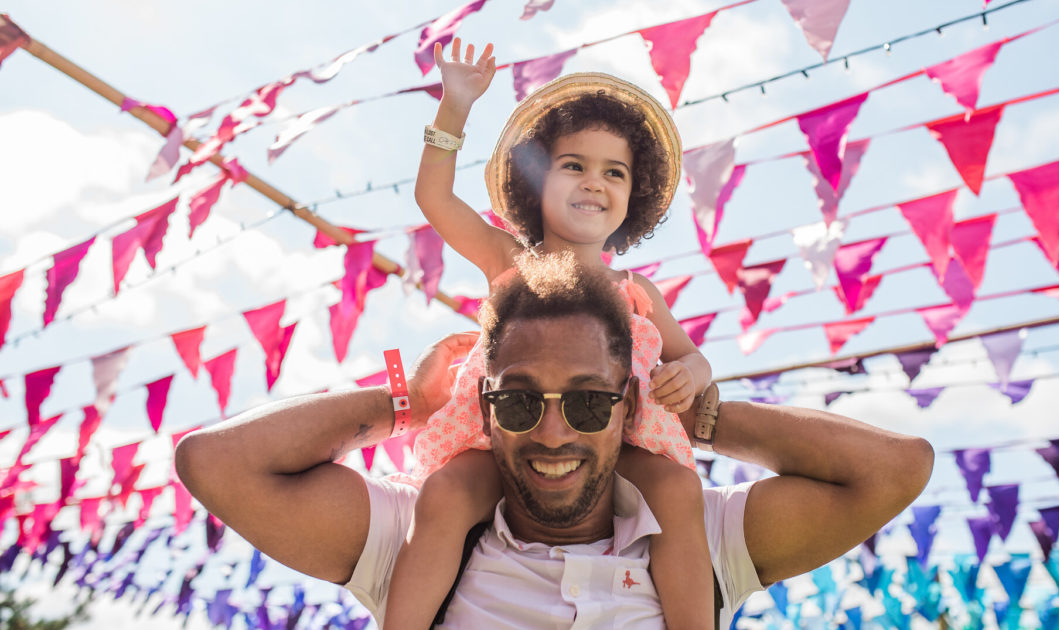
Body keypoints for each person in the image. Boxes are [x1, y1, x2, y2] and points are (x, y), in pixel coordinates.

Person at [174, 252, 934, 628]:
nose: (552, 429)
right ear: (485, 401)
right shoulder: (418, 540)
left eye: (589, 401)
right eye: (519, 400)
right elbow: (214, 461)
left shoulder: (696, 540)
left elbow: (896, 469)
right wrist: (408, 403)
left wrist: (694, 411)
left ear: (627, 402)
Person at [396, 37, 716, 629]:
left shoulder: (638, 289)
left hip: (620, 442)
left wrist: (685, 375)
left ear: (633, 196)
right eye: (574, 165)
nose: (594, 182)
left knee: (678, 492)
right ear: (536, 181)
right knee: (442, 495)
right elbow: (432, 196)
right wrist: (455, 105)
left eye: (613, 172)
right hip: (512, 434)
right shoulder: (507, 257)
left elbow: (696, 359)